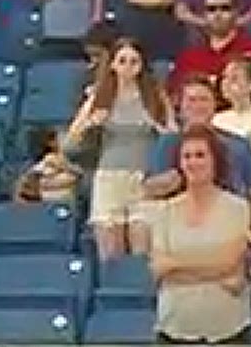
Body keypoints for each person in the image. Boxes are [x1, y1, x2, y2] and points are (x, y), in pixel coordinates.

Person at [65, 38, 173, 260]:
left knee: (142, 253)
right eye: (122, 61)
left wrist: (159, 127)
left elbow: (173, 136)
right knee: (111, 256)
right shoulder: (100, 97)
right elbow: (69, 144)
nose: (128, 67)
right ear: (113, 64)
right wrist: (90, 124)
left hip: (144, 181)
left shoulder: (154, 96)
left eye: (134, 61)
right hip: (109, 179)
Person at [151, 128, 251, 345]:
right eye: (187, 156)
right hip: (174, 326)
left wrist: (178, 267)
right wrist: (216, 272)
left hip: (228, 328)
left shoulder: (237, 207)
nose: (193, 162)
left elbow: (229, 261)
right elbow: (160, 268)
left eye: (200, 155)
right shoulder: (164, 212)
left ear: (215, 161)